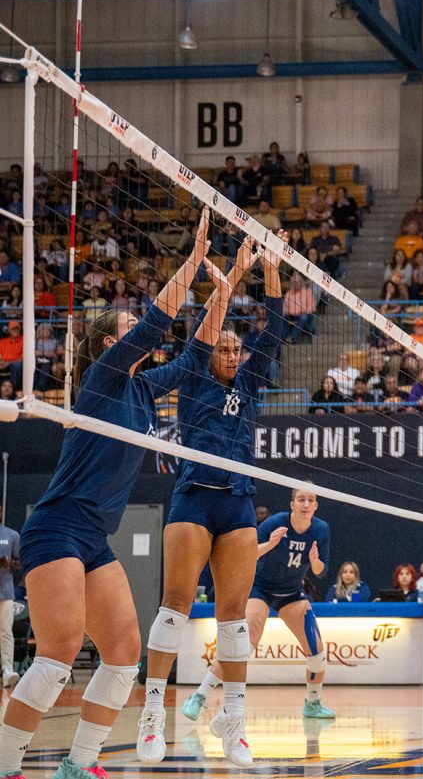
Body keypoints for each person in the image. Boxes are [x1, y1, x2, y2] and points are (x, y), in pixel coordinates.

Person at [0, 214, 219, 779]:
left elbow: (196, 359)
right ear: (108, 342)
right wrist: (192, 260)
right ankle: (5, 765)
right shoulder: (101, 378)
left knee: (124, 653)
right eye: (126, 323)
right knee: (57, 656)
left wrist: (225, 287)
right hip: (55, 529)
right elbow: (154, 326)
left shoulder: (144, 389)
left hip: (93, 538)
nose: (138, 328)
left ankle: (79, 765)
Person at [138, 234, 285, 767]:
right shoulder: (195, 377)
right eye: (222, 347)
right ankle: (152, 717)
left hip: (239, 503)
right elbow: (203, 335)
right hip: (194, 498)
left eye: (234, 348)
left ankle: (234, 723)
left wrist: (271, 267)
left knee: (234, 620)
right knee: (174, 607)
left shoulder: (248, 383)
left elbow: (277, 327)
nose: (229, 354)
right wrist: (234, 275)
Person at [181, 488, 335, 728]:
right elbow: (246, 555)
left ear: (316, 506)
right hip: (260, 588)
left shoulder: (321, 529)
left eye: (311, 500)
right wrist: (271, 543)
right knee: (242, 646)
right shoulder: (275, 523)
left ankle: (312, 703)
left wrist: (314, 560)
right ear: (292, 504)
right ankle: (199, 696)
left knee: (317, 654)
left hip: (291, 592)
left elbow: (321, 572)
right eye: (301, 499)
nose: (306, 504)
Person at [0, 511, 19, 688]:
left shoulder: (11, 535)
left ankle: (7, 671)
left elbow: (18, 562)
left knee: (6, 632)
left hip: (5, 593)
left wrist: (9, 563)